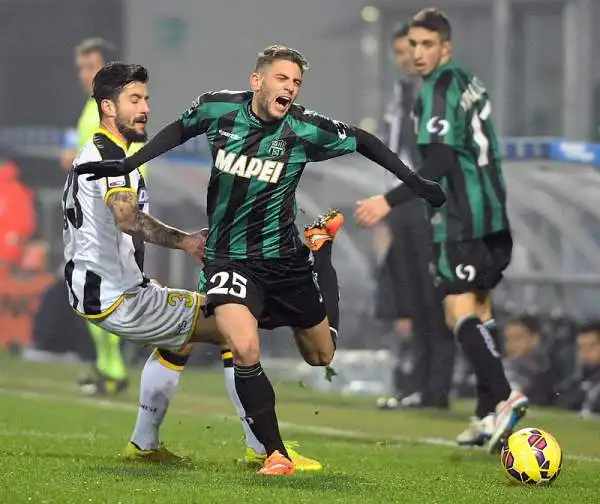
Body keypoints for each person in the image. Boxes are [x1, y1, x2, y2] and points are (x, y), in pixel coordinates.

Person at [75, 45, 446, 475]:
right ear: (258, 81)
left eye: (296, 82)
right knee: (244, 347)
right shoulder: (218, 111)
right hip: (229, 260)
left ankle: (320, 254)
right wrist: (129, 161)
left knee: (322, 355)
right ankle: (273, 453)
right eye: (282, 79)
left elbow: (364, 141)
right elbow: (177, 132)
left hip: (285, 262)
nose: (289, 88)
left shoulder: (304, 129)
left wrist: (415, 182)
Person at [63, 62, 329, 475]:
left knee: (186, 335)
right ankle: (263, 449)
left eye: (146, 99)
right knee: (230, 326)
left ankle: (144, 444)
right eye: (134, 100)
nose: (145, 108)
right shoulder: (112, 156)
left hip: (109, 288)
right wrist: (184, 239)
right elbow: (125, 216)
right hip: (114, 295)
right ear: (108, 108)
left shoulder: (107, 152)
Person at [354, 8, 528, 453]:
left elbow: (440, 162)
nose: (417, 53)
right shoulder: (469, 80)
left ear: (445, 47)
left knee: (457, 312)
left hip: (461, 217)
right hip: (494, 212)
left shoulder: (435, 89)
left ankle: (505, 396)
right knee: (482, 313)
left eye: (427, 44)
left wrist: (386, 200)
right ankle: (486, 414)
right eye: (412, 44)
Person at [374, 23, 453, 411]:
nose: (407, 58)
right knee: (410, 298)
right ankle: (416, 384)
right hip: (401, 206)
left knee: (433, 298)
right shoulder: (403, 93)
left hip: (426, 206)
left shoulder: (440, 95)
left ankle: (436, 388)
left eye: (412, 50)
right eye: (402, 52)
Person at [60, 37, 138, 396]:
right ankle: (111, 366)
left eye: (92, 66)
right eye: (81, 68)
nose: (84, 74)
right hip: (102, 211)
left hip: (112, 211)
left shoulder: (111, 107)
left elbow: (111, 159)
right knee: (97, 290)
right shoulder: (96, 108)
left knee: (97, 291)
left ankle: (115, 368)